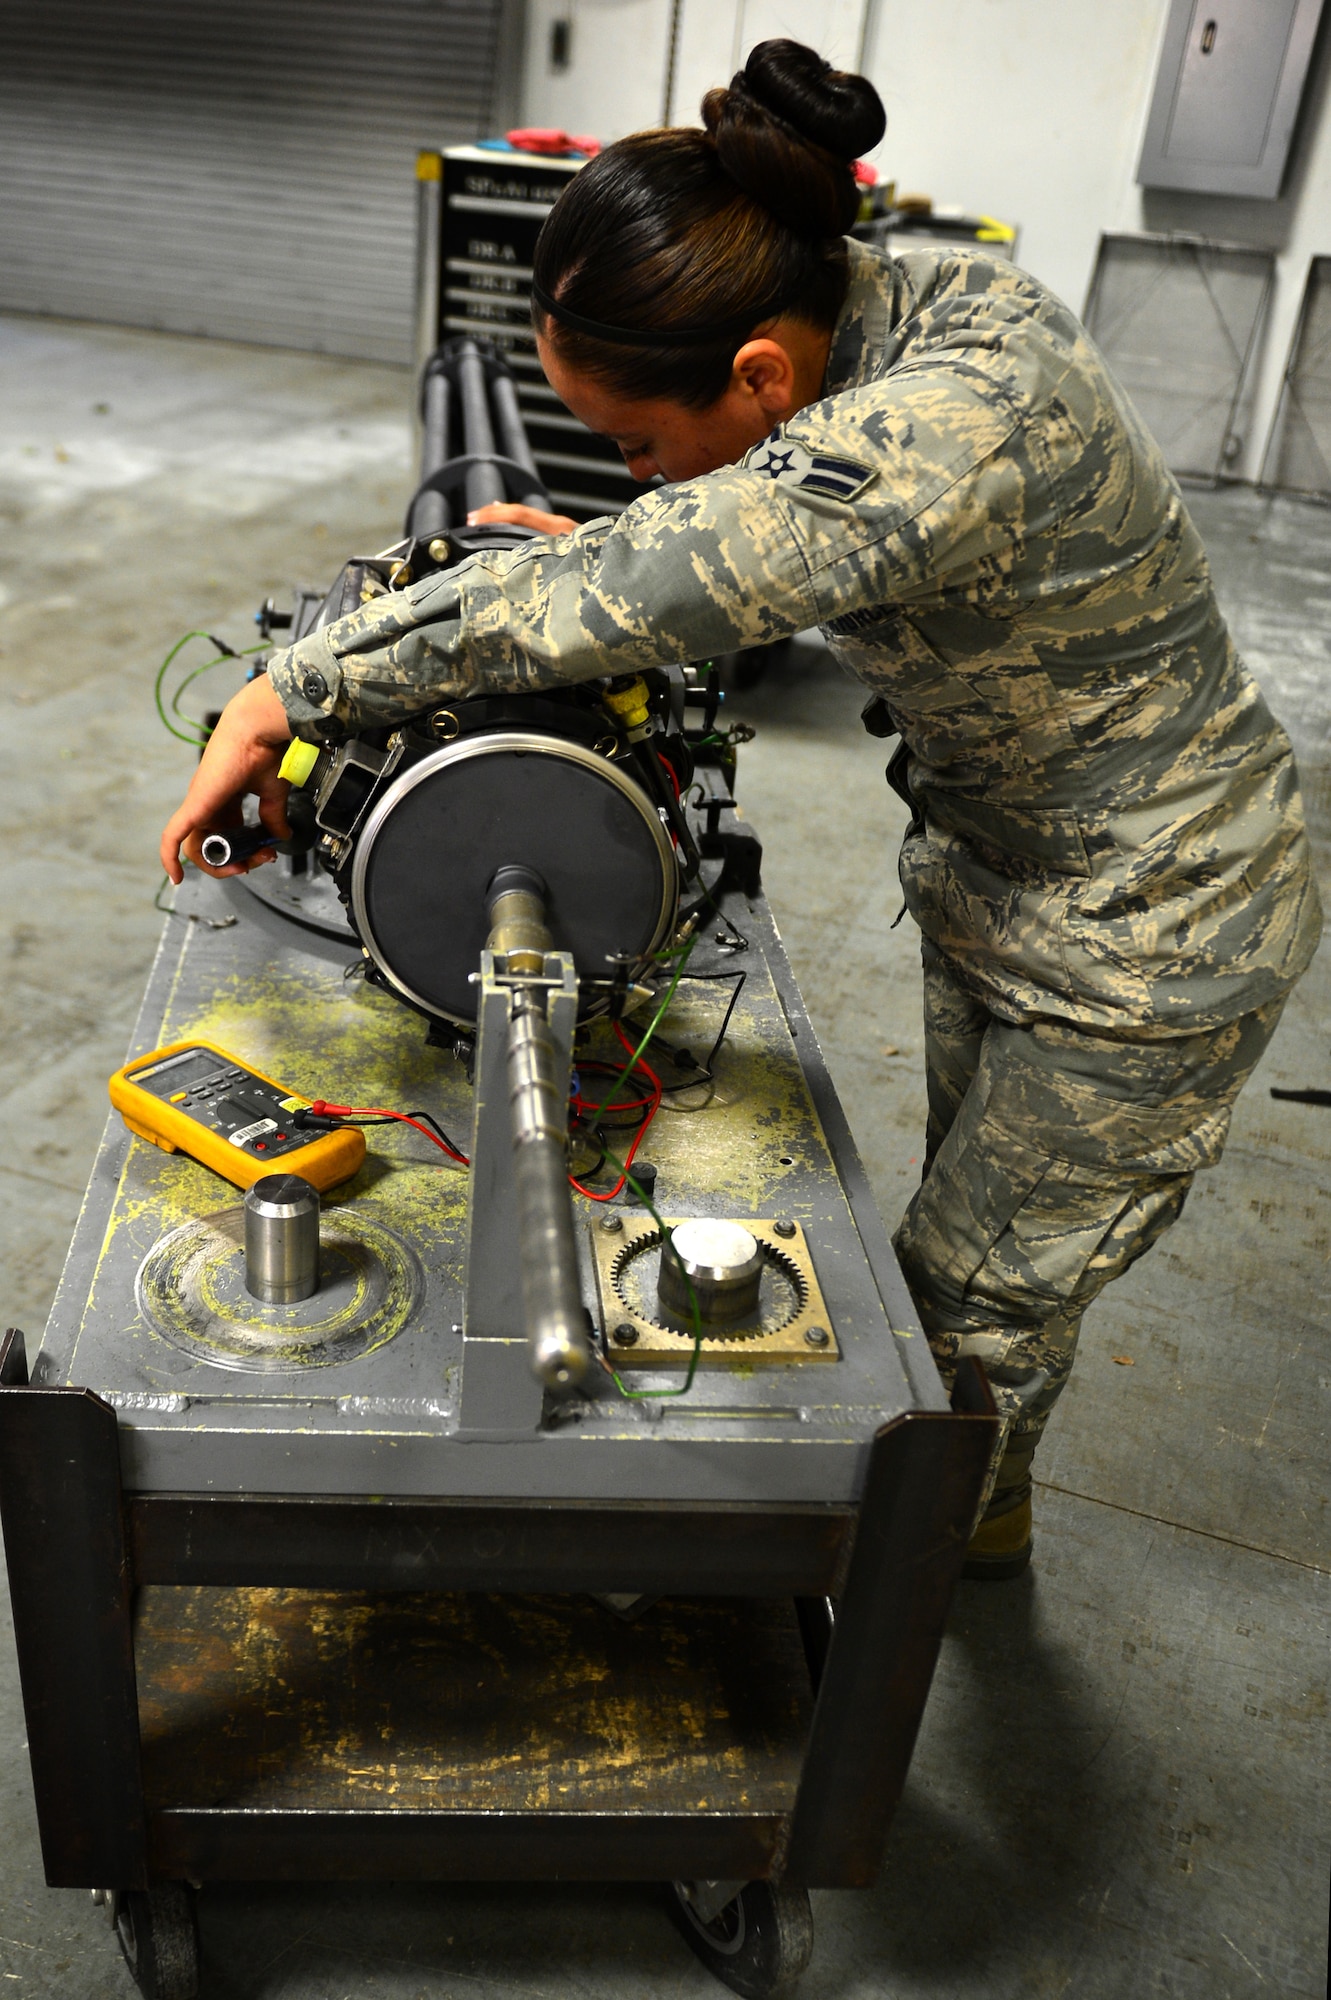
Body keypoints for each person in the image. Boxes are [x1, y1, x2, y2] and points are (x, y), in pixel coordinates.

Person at [161, 39, 1320, 1579]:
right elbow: (746, 531)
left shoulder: (953, 422)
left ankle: (916, 1587)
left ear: (761, 371)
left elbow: (729, 554)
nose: (639, 476)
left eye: (642, 446)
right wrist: (631, 533)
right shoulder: (889, 309)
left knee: (960, 1312)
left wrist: (295, 687)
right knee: (968, 1280)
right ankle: (980, 1502)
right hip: (1007, 870)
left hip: (1149, 928)